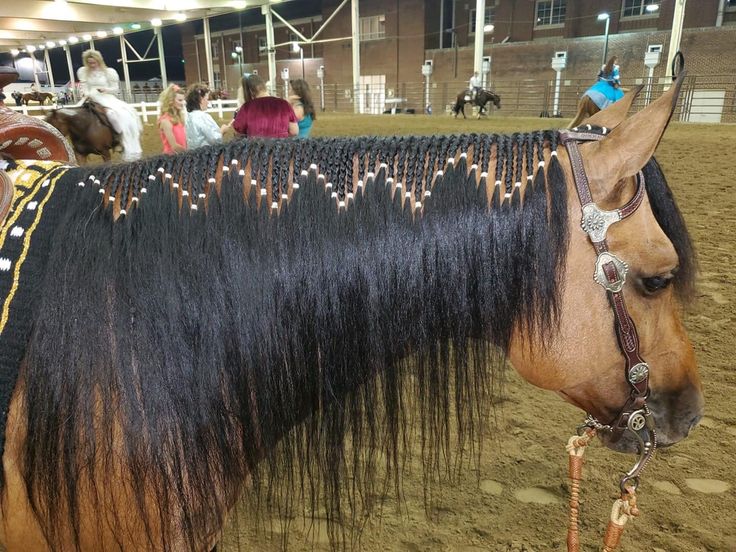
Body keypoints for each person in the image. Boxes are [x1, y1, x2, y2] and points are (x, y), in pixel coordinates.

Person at [77, 49, 142, 161]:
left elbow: (115, 89)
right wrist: (85, 93)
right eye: (89, 63)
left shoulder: (109, 72)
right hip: (89, 97)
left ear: (99, 61)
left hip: (105, 97)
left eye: (94, 62)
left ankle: (118, 138)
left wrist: (105, 89)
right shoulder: (83, 72)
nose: (92, 65)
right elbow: (83, 87)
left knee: (114, 114)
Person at [232, 74, 298, 139]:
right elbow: (294, 131)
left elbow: (238, 134)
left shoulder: (246, 108)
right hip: (280, 148)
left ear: (250, 91)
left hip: (256, 148)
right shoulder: (284, 104)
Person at [184, 83, 229, 149]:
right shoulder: (203, 117)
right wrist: (222, 130)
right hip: (205, 155)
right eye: (207, 99)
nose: (208, 102)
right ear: (201, 99)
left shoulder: (188, 117)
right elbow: (215, 139)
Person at [157, 84, 187, 154]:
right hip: (172, 159)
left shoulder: (179, 118)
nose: (182, 103)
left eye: (183, 100)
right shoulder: (165, 121)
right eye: (180, 100)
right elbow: (174, 146)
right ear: (171, 100)